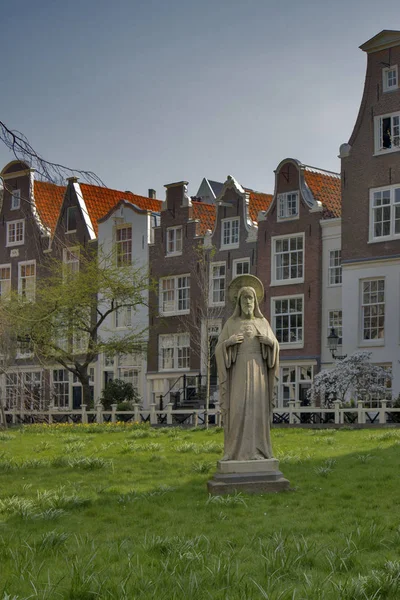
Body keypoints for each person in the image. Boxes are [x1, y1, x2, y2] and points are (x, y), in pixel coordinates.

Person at [215, 275, 279, 461]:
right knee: (237, 410)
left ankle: (258, 450)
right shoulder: (231, 324)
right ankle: (233, 451)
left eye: (251, 298)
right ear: (239, 302)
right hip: (238, 374)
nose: (248, 302)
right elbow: (218, 349)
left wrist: (270, 343)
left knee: (257, 412)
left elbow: (275, 346)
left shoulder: (263, 323)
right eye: (244, 298)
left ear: (255, 301)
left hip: (259, 372)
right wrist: (228, 342)